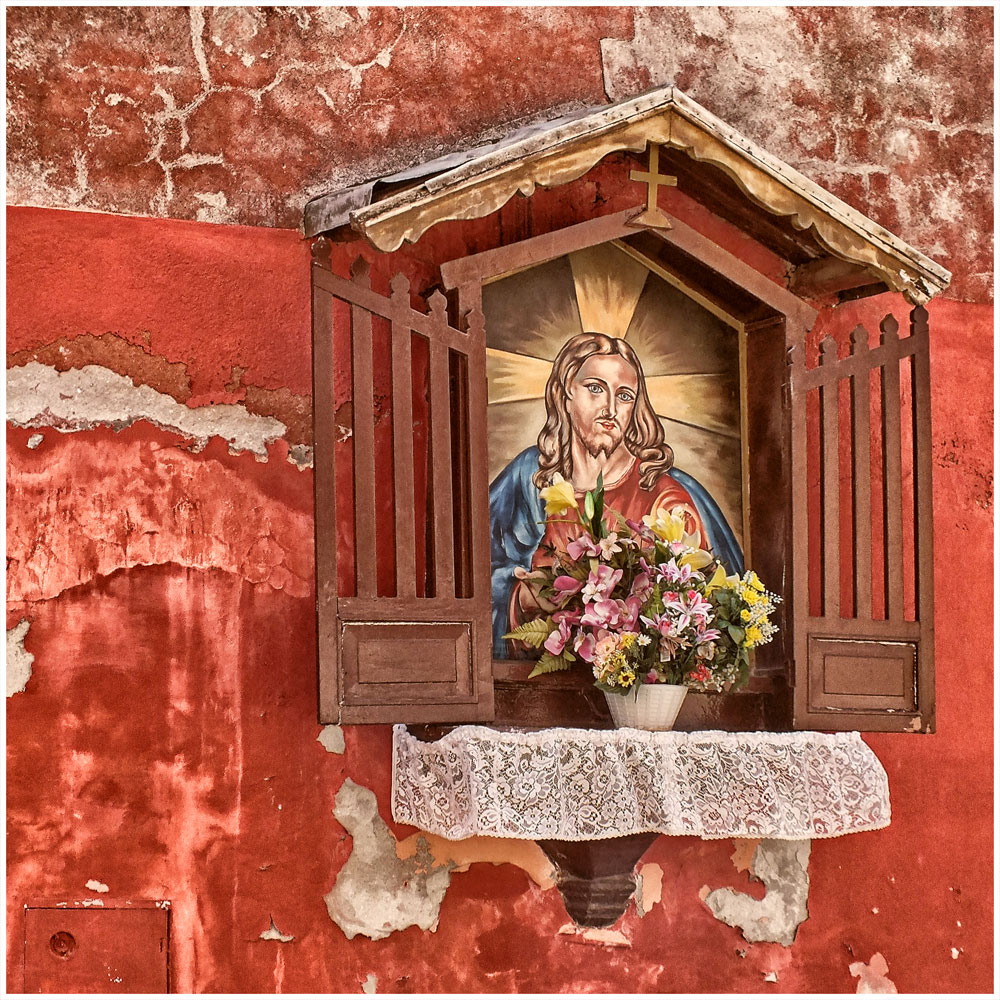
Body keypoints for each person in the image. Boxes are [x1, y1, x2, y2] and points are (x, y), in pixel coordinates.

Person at [489, 332, 743, 656]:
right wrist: (523, 597)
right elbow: (470, 574)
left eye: (624, 396)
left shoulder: (666, 499)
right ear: (565, 393)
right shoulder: (528, 478)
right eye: (595, 388)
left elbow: (708, 614)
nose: (610, 409)